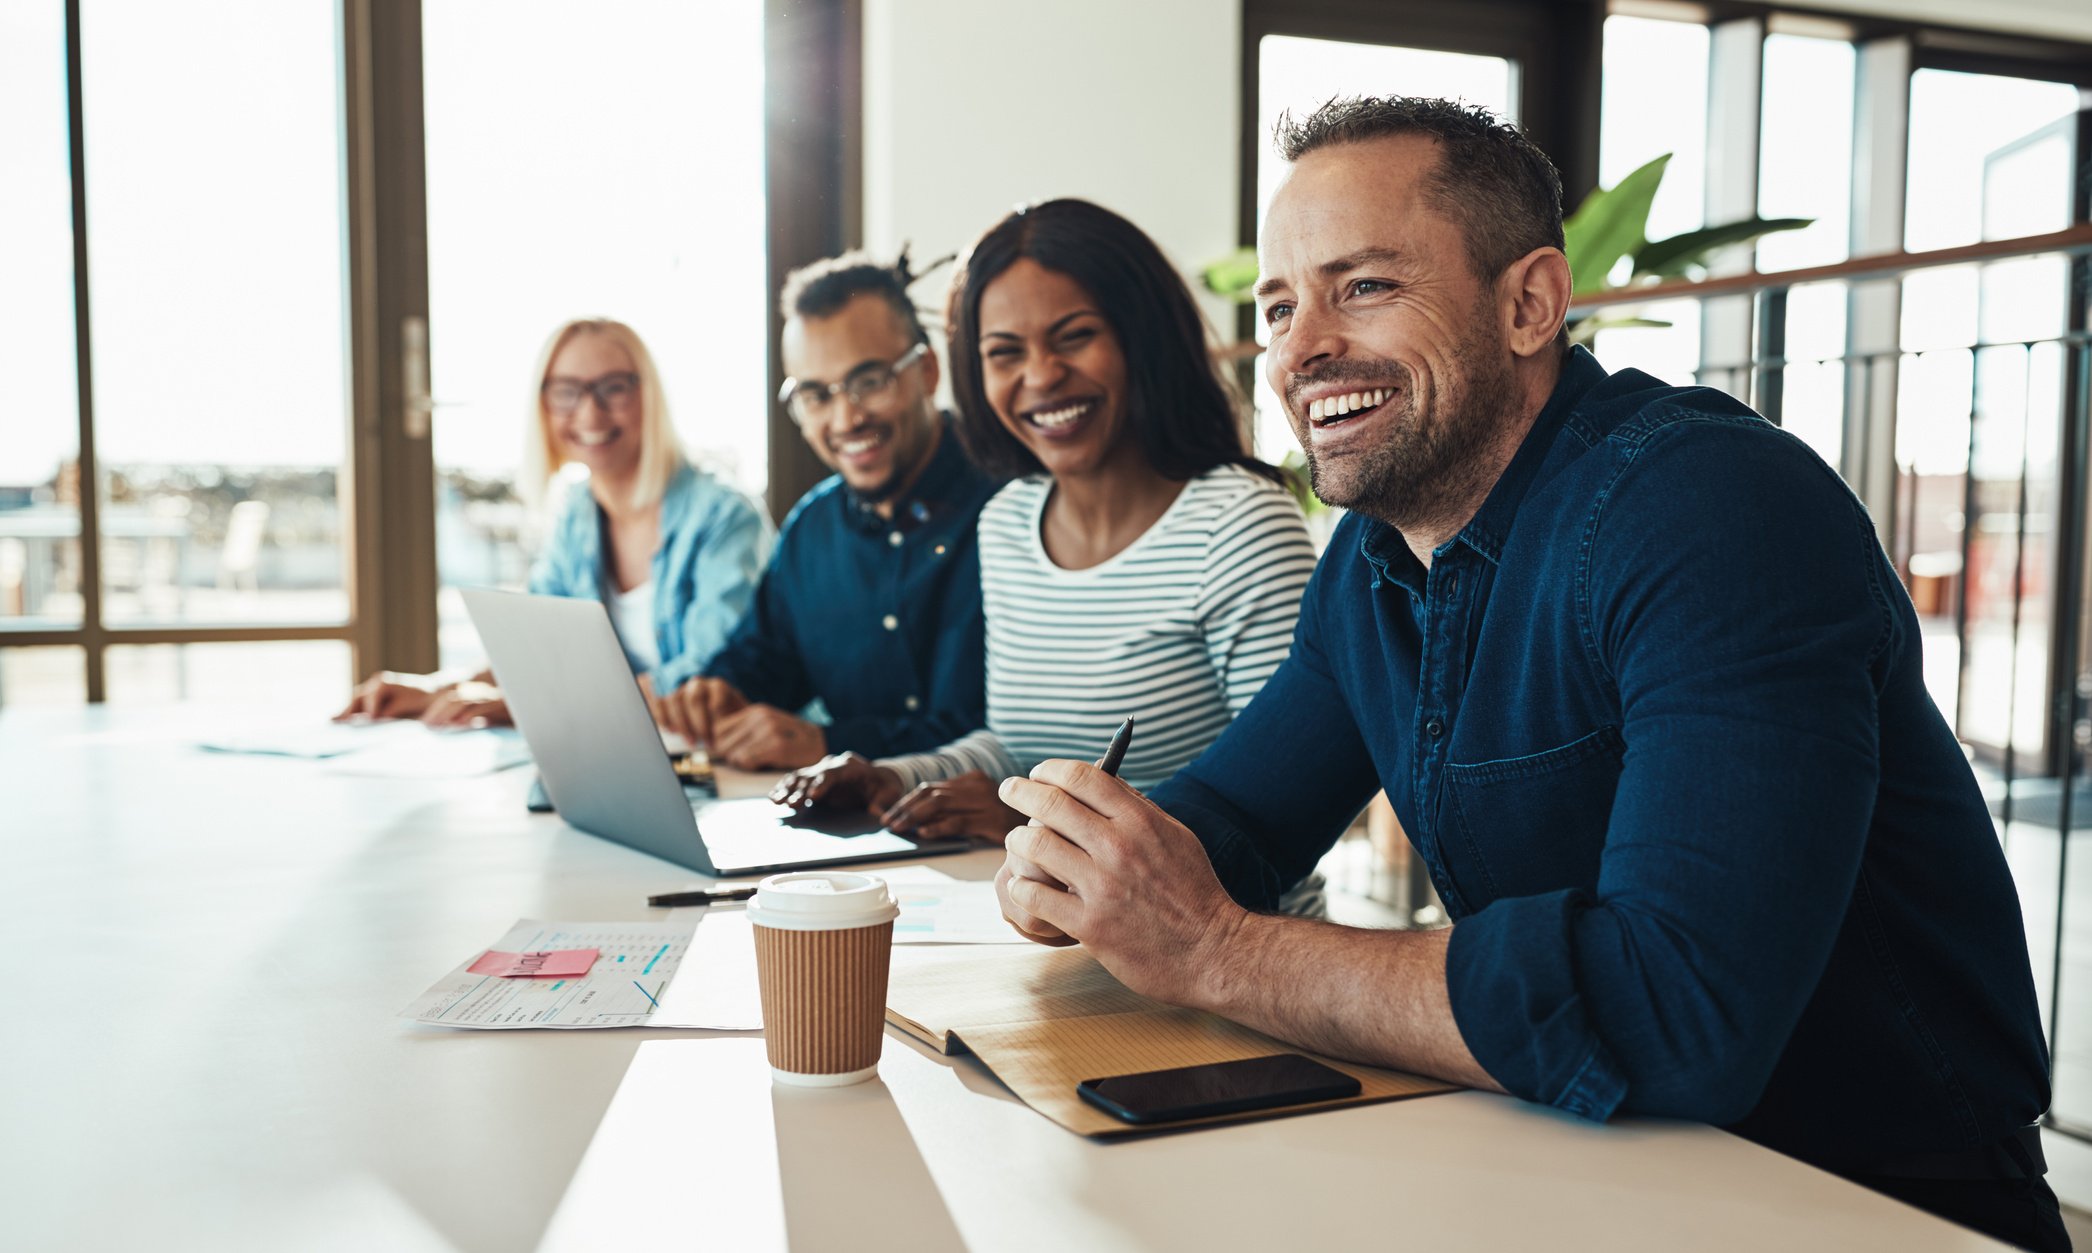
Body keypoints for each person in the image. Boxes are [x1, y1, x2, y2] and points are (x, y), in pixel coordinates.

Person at [989, 99, 2063, 1252]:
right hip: (1576, 1170)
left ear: (1528, 303)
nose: (1299, 352)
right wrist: (1089, 862)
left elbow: (1678, 1009)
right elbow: (1238, 817)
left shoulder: (1710, 507)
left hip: (1866, 1204)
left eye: (1362, 287)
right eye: (1280, 304)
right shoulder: (1370, 558)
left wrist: (1215, 946)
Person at [770, 200, 1318, 882]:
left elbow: (1286, 806)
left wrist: (1041, 829)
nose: (1040, 375)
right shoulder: (1007, 521)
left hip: (1220, 964)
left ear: (1139, 339)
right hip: (1048, 934)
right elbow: (1014, 748)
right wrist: (889, 777)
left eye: (1074, 336)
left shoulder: (1239, 524)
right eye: (1005, 352)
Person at [651, 251, 1002, 769]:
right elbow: (765, 659)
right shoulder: (812, 529)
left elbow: (1007, 734)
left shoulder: (1013, 508)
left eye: (869, 382)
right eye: (815, 395)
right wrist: (721, 692)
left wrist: (830, 743)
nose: (846, 418)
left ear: (926, 371)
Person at [337, 317, 769, 727]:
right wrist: (437, 688)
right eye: (567, 391)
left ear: (649, 395)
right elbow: (539, 650)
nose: (590, 413)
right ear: (543, 404)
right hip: (620, 752)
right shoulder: (577, 513)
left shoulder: (724, 516)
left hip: (723, 759)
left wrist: (528, 705)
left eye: (613, 388)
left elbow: (709, 681)